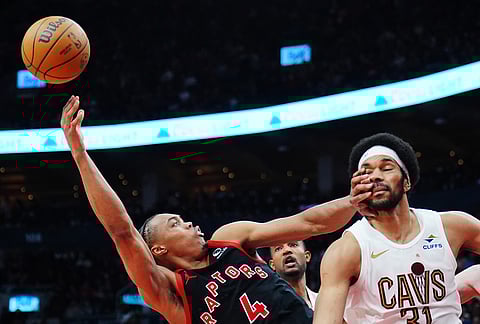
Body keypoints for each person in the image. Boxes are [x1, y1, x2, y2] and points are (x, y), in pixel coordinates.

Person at [60, 95, 372, 324]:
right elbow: (122, 231)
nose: (190, 223)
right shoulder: (173, 295)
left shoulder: (229, 238)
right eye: (176, 224)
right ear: (157, 248)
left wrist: (351, 201)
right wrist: (80, 154)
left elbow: (309, 223)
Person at [314, 132, 480, 324]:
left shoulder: (451, 226)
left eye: (386, 168)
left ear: (407, 181)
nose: (375, 177)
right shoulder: (345, 251)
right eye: (366, 173)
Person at [269, 241, 317, 309]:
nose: (286, 250)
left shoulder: (324, 303)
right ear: (272, 265)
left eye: (293, 245)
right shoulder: (269, 310)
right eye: (278, 248)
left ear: (307, 256)